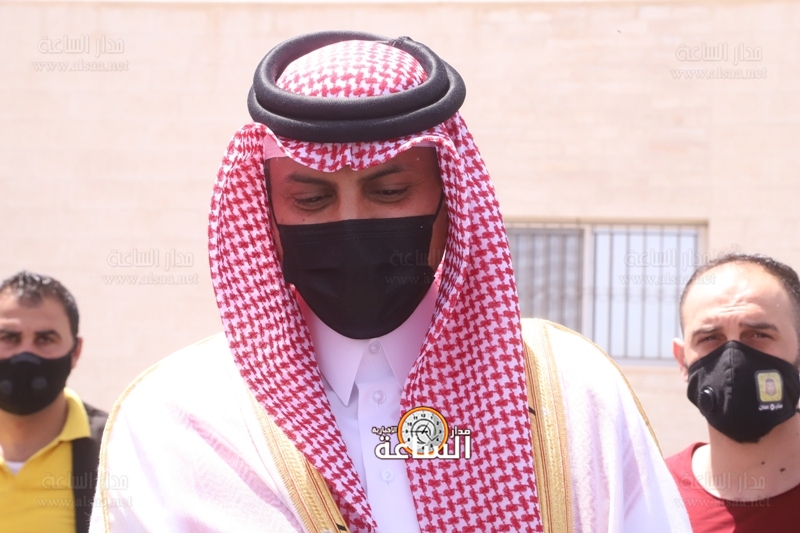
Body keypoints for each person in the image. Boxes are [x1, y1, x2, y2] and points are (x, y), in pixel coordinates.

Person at [91, 31, 689, 532]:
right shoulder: (178, 419)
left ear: (452, 201)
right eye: (312, 199)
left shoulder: (572, 395)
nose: (351, 227)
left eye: (390, 191)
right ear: (267, 214)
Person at [666, 253, 800, 531]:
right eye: (710, 338)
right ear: (682, 360)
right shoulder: (650, 499)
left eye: (759, 334)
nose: (732, 359)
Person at [0, 271, 107, 533]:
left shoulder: (116, 450)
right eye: (8, 337)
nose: (25, 353)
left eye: (45, 339)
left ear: (75, 352)